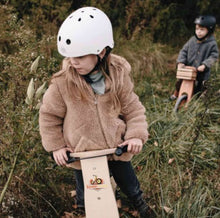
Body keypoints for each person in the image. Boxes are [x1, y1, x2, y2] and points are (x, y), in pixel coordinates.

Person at [39, 7, 150, 217]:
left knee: (129, 183)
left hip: (117, 149)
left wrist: (135, 135)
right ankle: (82, 210)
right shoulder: (63, 83)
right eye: (71, 56)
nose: (74, 62)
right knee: (87, 192)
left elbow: (133, 109)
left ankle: (138, 203)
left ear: (101, 51)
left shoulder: (118, 75)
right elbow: (49, 116)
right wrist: (56, 146)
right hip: (84, 153)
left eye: (80, 56)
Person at [170, 15, 219, 100]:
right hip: (189, 69)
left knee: (202, 87)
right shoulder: (192, 40)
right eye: (197, 29)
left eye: (202, 29)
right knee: (180, 81)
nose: (198, 32)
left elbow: (214, 56)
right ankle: (176, 94)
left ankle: (201, 100)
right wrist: (181, 62)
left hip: (201, 72)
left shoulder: (212, 43)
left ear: (209, 30)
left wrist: (205, 65)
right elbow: (184, 51)